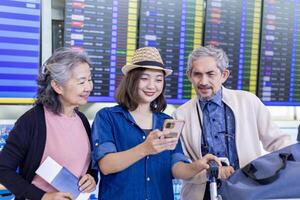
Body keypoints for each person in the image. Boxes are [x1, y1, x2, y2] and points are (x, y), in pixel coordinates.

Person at [91, 47, 220, 200]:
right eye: (144, 78)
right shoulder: (107, 117)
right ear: (131, 80)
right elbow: (106, 166)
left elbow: (176, 168)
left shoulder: (166, 121)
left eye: (158, 80)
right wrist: (145, 148)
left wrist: (197, 166)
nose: (152, 86)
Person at [173, 45, 293, 200]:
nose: (203, 81)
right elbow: (182, 166)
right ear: (189, 75)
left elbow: (279, 142)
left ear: (224, 75)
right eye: (197, 74)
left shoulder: (248, 101)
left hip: (248, 191)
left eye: (210, 74)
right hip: (200, 195)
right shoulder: (179, 115)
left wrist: (286, 167)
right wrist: (212, 172)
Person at [0, 48, 97, 200]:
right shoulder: (32, 122)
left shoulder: (82, 120)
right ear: (57, 86)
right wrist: (43, 196)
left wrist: (92, 178)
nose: (88, 87)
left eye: (90, 79)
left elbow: (88, 166)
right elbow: (3, 169)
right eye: (81, 81)